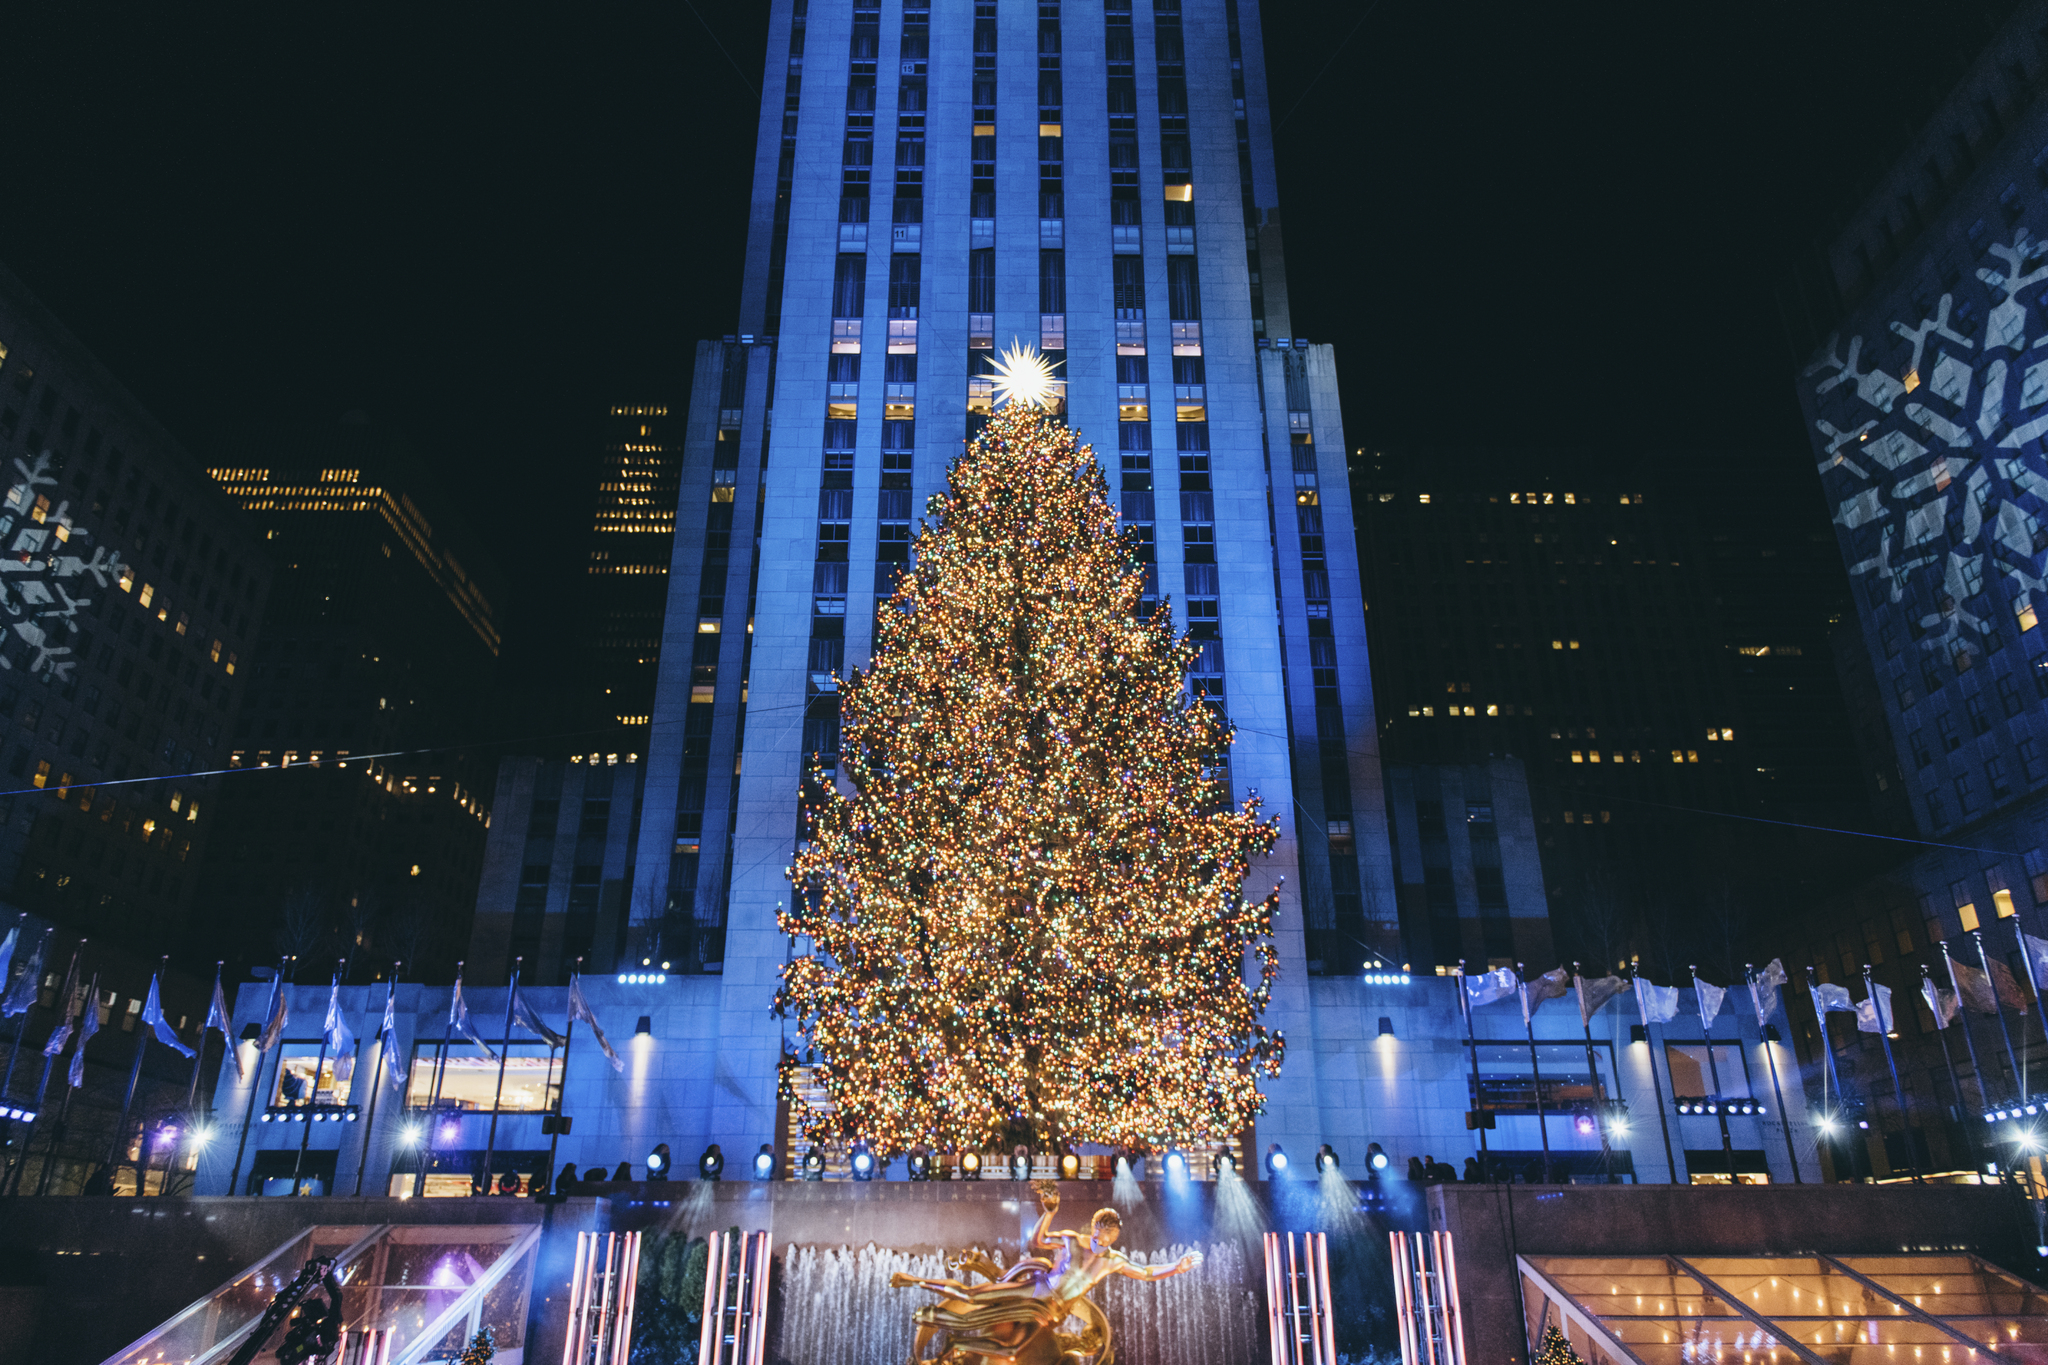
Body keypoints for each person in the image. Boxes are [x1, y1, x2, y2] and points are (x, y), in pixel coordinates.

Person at [892, 1181, 1199, 1364]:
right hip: (1036, 1290)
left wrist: (1176, 1267)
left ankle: (958, 1344)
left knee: (1013, 1349)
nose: (1101, 1241)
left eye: (1108, 1237)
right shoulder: (1071, 1240)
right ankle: (913, 1280)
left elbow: (1145, 1272)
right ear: (1094, 1227)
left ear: (1115, 1236)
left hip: (1051, 1313)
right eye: (1099, 1234)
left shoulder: (1113, 1261)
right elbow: (1037, 1241)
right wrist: (1049, 1212)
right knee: (973, 1295)